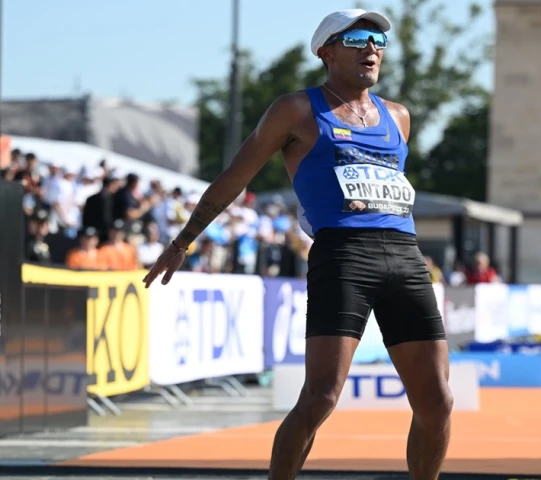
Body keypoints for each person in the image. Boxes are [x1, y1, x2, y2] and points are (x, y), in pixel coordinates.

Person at [142, 9, 451, 480]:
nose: (372, 48)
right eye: (358, 39)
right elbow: (235, 177)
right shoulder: (297, 109)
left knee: (438, 401)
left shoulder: (398, 117)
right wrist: (184, 240)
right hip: (344, 257)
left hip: (405, 258)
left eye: (378, 40)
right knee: (321, 397)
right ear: (326, 51)